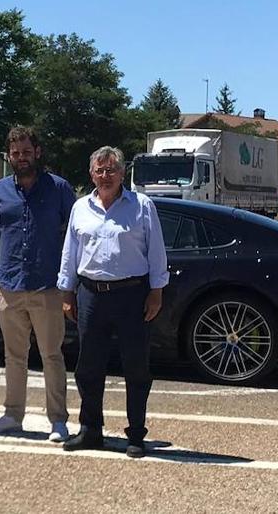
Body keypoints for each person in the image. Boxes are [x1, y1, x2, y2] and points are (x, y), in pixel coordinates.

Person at [57, 146, 169, 458]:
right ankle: (90, 430)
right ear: (91, 173)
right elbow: (70, 252)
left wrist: (157, 291)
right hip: (91, 294)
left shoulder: (141, 206)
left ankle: (136, 434)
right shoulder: (81, 208)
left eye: (112, 170)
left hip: (132, 295)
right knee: (88, 367)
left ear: (123, 173)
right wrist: (66, 292)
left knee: (136, 367)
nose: (106, 176)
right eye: (100, 170)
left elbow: (157, 251)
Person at [0, 126, 76, 441]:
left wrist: (69, 285)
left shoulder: (60, 189)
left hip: (47, 287)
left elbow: (74, 237)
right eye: (15, 153)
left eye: (26, 151)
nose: (21, 158)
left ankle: (58, 421)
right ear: (9, 156)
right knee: (14, 355)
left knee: (52, 355)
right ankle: (12, 416)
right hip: (8, 286)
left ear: (38, 152)